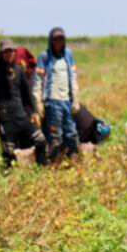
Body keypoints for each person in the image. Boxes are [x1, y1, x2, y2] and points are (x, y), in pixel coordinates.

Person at [0, 39, 46, 165]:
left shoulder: (19, 71)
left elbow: (28, 93)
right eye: (6, 52)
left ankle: (42, 171)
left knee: (41, 140)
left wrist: (35, 111)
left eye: (12, 51)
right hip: (5, 120)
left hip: (21, 117)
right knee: (8, 153)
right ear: (1, 54)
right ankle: (8, 179)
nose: (9, 54)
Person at [33, 27, 80, 159]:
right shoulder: (44, 57)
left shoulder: (68, 55)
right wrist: (38, 103)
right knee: (55, 136)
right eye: (55, 39)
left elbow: (73, 77)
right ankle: (55, 164)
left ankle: (73, 160)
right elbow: (37, 82)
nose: (58, 42)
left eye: (61, 39)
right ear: (51, 41)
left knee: (71, 133)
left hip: (67, 101)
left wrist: (75, 99)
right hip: (52, 102)